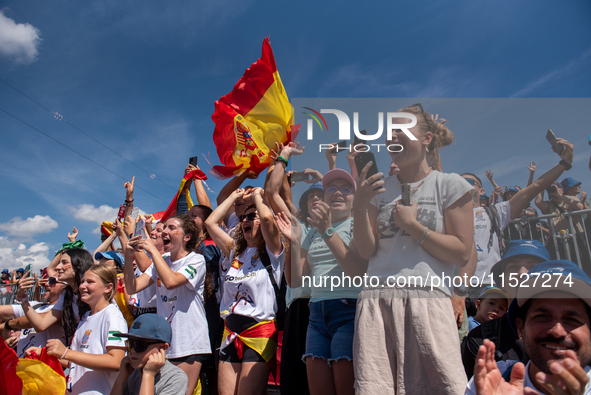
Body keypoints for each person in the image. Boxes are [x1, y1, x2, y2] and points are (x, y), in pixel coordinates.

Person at [352, 103, 475, 394]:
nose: (392, 136)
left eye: (402, 129)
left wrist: (415, 228)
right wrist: (359, 207)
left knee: (443, 387)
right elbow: (366, 251)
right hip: (375, 302)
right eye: (390, 131)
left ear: (426, 138)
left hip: (428, 301)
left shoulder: (450, 185)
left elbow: (461, 252)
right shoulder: (378, 190)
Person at [461, 137, 574, 315]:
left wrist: (564, 164)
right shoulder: (445, 215)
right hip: (454, 287)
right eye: (456, 183)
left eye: (467, 182)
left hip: (487, 286)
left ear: (481, 191)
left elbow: (535, 187)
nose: (460, 186)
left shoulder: (495, 212)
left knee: (493, 338)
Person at [466, 259, 591, 394]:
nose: (557, 331)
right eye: (542, 317)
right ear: (521, 330)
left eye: (572, 320)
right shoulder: (493, 379)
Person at [289, 168, 363, 395]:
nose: (338, 192)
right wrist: (292, 243)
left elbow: (358, 273)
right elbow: (294, 280)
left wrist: (327, 229)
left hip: (348, 311)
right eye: (331, 188)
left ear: (354, 197)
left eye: (346, 188)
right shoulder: (311, 233)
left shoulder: (357, 225)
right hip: (316, 315)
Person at [205, 187, 284, 395]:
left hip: (259, 331)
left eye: (252, 216)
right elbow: (210, 223)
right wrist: (234, 197)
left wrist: (258, 196)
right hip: (230, 331)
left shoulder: (274, 250)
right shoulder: (235, 251)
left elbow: (267, 219)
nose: (245, 220)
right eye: (244, 217)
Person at [124, 214, 210, 395]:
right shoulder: (161, 262)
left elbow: (171, 281)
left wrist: (155, 252)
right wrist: (127, 255)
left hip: (188, 341)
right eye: (165, 228)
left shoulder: (196, 260)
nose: (165, 231)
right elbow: (132, 287)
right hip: (163, 342)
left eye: (171, 228)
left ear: (186, 237)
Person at [25, 264, 128, 395]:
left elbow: (116, 361)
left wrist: (66, 353)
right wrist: (46, 353)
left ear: (108, 288)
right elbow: (76, 362)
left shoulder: (112, 316)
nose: (82, 286)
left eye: (90, 282)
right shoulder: (86, 316)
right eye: (83, 281)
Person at [461, 239, 550, 379]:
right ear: (502, 281)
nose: (522, 273)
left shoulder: (573, 332)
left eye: (533, 267)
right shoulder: (480, 340)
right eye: (514, 267)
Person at [7, 247, 94, 345]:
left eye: (64, 262)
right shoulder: (67, 295)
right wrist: (22, 299)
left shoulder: (94, 291)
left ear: (79, 264)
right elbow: (41, 324)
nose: (58, 267)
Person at [111, 314, 189, 395]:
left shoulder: (175, 378)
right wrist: (122, 377)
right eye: (130, 344)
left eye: (139, 345)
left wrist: (148, 374)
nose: (133, 351)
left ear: (163, 348)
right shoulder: (131, 372)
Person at [0, 273, 67, 357]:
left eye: (52, 281)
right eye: (46, 281)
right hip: (22, 365)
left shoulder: (65, 310)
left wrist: (7, 325)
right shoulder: (36, 305)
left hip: (44, 368)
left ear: (65, 288)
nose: (46, 284)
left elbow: (40, 319)